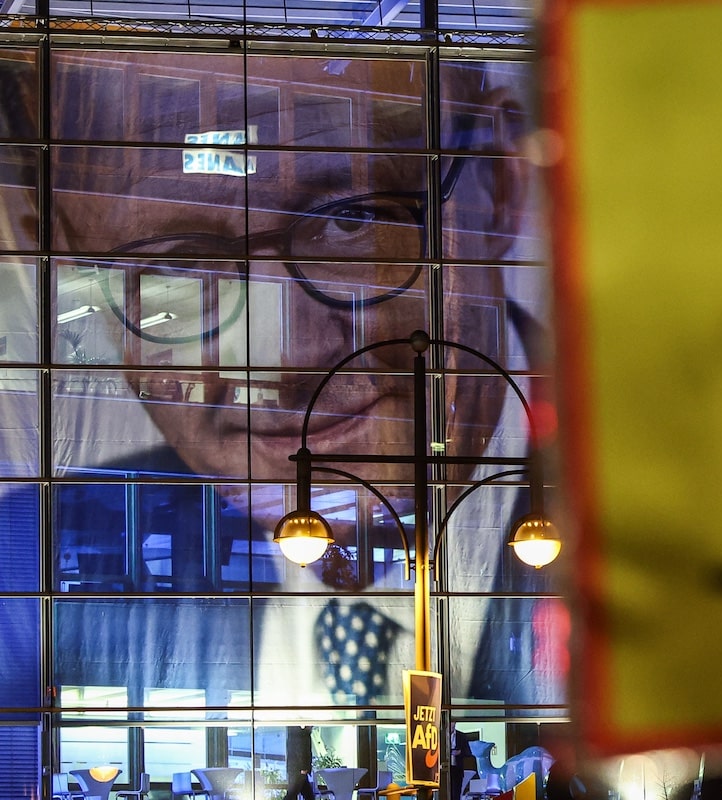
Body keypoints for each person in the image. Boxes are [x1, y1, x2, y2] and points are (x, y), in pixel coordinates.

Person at [0, 43, 566, 770]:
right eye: (176, 267)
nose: (286, 361)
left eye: (351, 221)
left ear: (499, 177)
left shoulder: (696, 504)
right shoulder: (30, 569)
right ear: (52, 250)